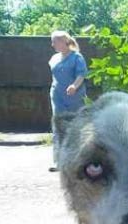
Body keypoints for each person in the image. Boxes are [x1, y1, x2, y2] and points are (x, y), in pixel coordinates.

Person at [48, 30, 87, 171]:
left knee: (75, 126)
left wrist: (74, 86)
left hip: (74, 96)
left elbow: (81, 75)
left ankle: (77, 161)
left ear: (64, 42)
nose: (52, 44)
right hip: (57, 95)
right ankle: (58, 162)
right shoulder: (53, 58)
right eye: (52, 42)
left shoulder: (77, 57)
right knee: (58, 125)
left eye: (55, 41)